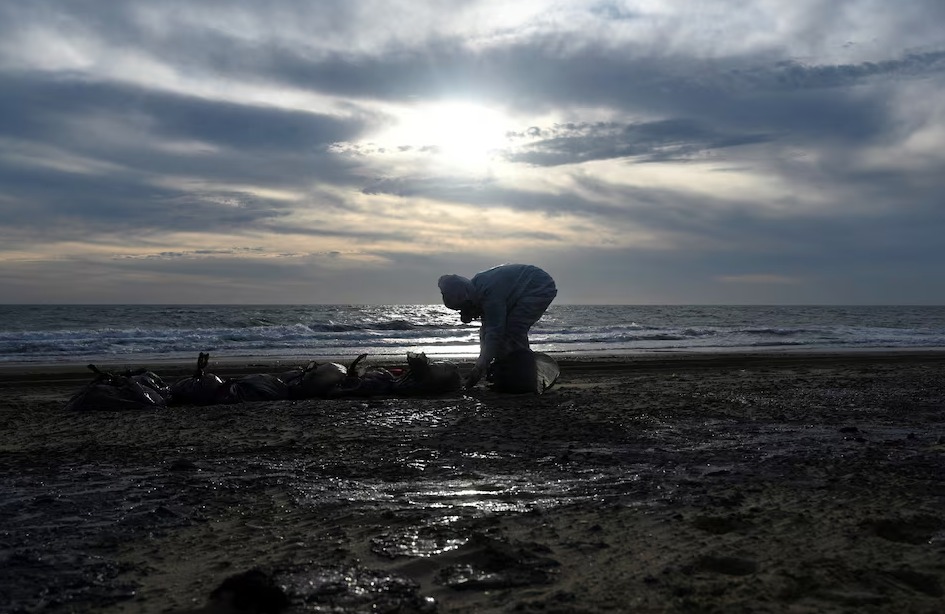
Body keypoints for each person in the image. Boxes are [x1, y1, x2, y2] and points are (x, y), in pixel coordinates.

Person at [438, 263, 557, 388]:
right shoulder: (477, 288)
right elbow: (486, 331)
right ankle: (510, 373)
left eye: (463, 308)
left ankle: (524, 378)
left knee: (513, 330)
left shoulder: (490, 295)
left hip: (538, 286)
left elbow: (494, 332)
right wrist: (483, 363)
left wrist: (479, 368)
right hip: (521, 289)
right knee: (506, 333)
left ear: (468, 299)